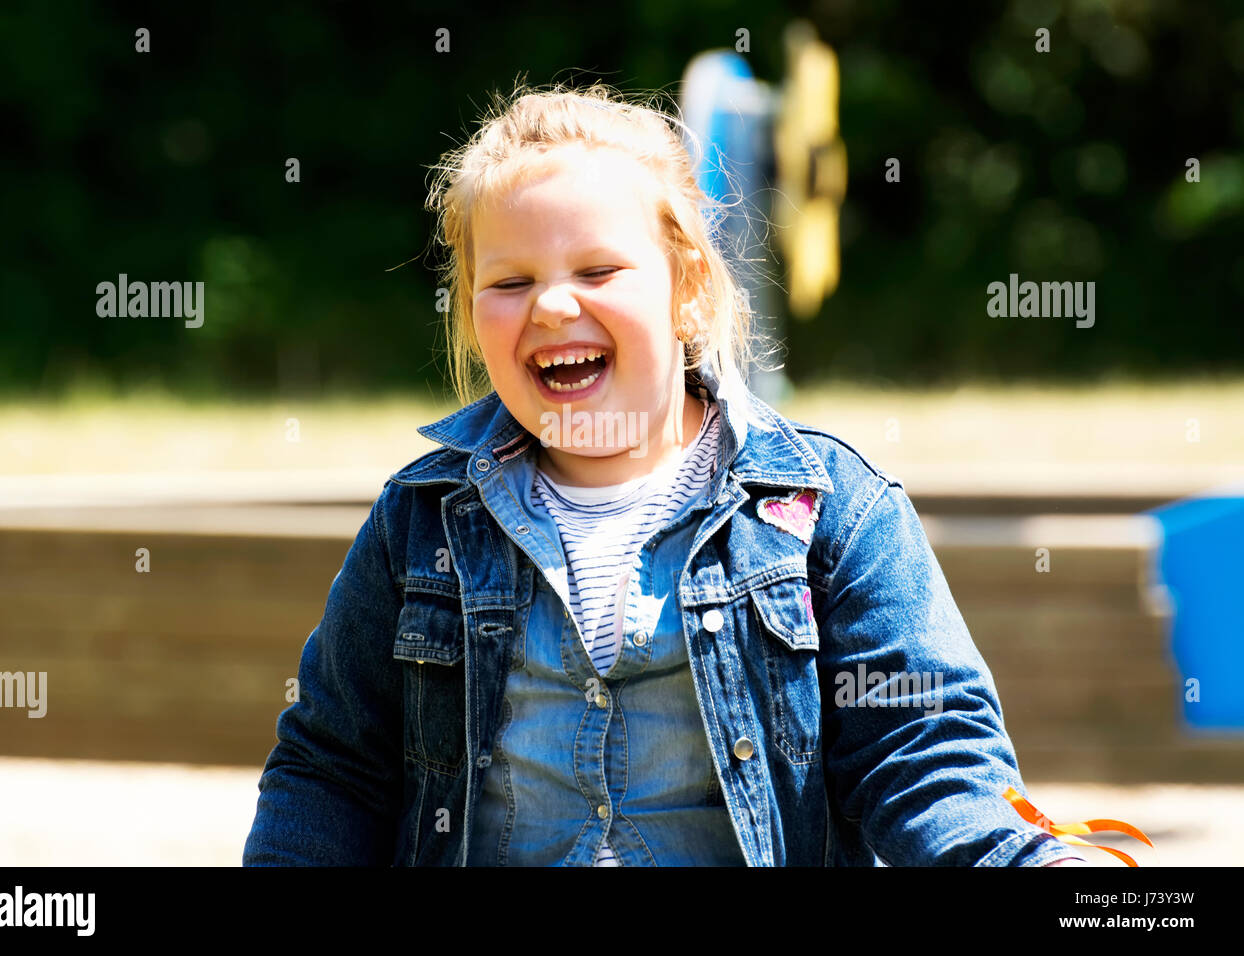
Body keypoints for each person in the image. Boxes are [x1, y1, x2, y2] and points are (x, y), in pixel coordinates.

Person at [242, 82, 1087, 866]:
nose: (553, 304)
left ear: (686, 285)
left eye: (599, 270)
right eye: (510, 281)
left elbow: (924, 758)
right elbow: (332, 772)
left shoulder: (832, 514)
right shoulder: (419, 523)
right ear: (469, 310)